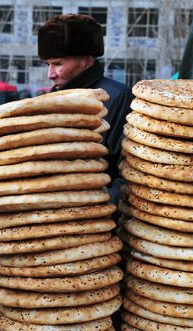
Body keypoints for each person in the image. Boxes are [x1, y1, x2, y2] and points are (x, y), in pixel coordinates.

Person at [38, 14, 135, 205]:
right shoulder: (45, 102)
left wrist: (103, 215)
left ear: (87, 62)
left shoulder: (119, 97)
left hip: (97, 218)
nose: (50, 74)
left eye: (57, 63)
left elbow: (128, 170)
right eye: (48, 64)